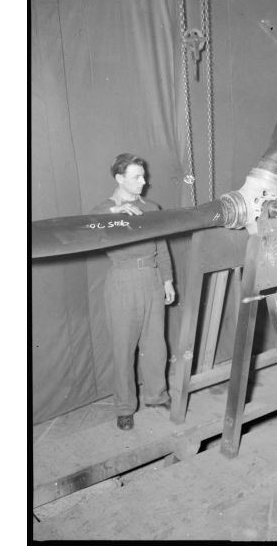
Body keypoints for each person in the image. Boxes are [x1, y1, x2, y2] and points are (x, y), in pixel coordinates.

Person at [92, 153, 175, 431]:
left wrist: (167, 280)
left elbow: (161, 245)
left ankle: (156, 395)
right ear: (119, 178)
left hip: (151, 277)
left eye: (143, 176)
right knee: (123, 347)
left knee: (155, 344)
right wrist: (116, 212)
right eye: (136, 177)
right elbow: (89, 224)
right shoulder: (105, 209)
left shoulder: (151, 207)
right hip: (123, 280)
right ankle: (125, 407)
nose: (144, 181)